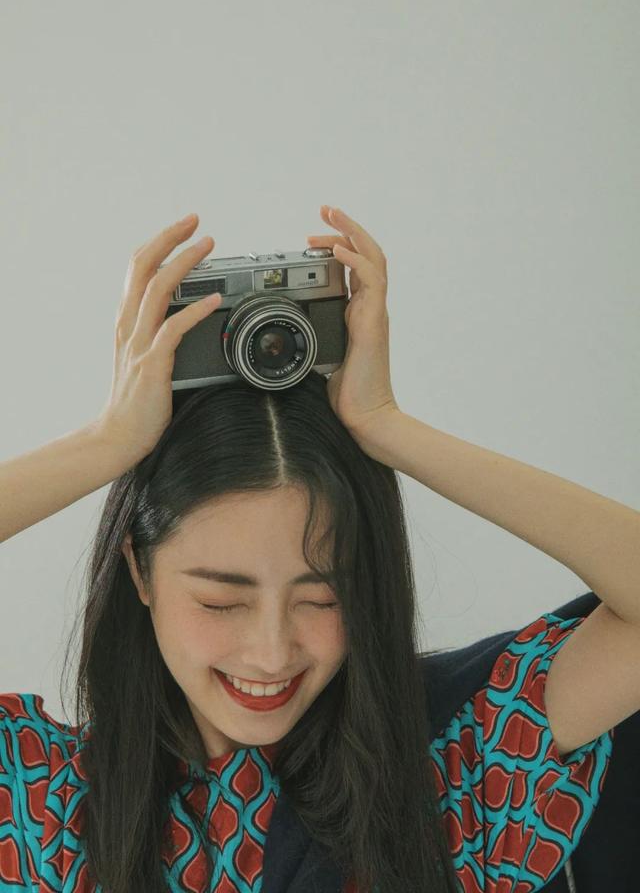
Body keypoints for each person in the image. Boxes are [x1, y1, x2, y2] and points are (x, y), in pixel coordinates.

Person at [0, 207, 637, 893]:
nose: (272, 653)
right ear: (139, 569)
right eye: (221, 600)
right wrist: (107, 443)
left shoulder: (458, 768)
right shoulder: (46, 808)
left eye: (323, 597)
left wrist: (387, 428)